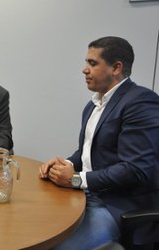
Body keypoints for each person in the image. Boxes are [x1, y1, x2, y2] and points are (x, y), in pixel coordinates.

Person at [39, 36, 159, 249]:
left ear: (116, 68)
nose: (84, 70)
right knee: (37, 231)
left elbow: (135, 169)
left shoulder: (140, 102)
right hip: (86, 196)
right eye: (86, 62)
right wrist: (64, 165)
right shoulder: (94, 104)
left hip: (116, 205)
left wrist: (75, 179)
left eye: (92, 63)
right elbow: (88, 153)